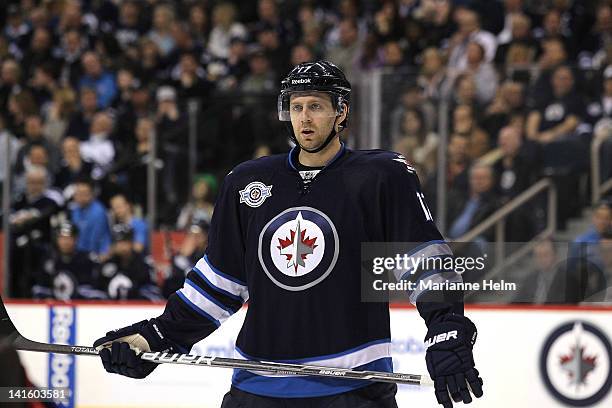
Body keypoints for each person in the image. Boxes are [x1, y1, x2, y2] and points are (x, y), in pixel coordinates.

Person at [93, 61, 483, 408]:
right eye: (296, 107)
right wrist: (156, 336)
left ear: (340, 112)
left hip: (352, 388)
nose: (304, 118)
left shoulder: (382, 176)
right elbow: (219, 285)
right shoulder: (248, 182)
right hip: (258, 389)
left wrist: (446, 324)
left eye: (315, 106)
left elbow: (422, 261)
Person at [32, 221, 105, 300]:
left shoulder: (87, 260)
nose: (65, 242)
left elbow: (96, 292)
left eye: (69, 238)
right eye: (62, 238)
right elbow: (40, 290)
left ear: (76, 239)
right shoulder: (48, 260)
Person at [98, 223, 161, 301]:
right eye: (119, 242)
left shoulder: (143, 263)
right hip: (110, 307)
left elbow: (153, 290)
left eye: (126, 241)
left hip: (138, 306)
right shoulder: (107, 264)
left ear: (132, 242)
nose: (123, 246)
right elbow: (99, 288)